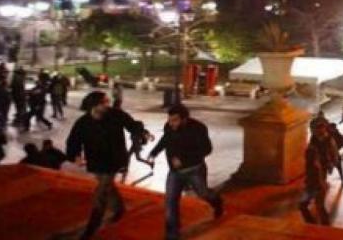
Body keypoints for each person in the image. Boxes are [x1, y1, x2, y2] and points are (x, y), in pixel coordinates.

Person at [66, 91, 153, 240]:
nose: (107, 104)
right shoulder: (83, 122)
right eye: (104, 102)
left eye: (107, 101)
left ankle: (92, 227)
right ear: (95, 105)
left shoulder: (115, 115)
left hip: (114, 160)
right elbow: (74, 140)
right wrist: (76, 155)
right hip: (96, 161)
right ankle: (119, 209)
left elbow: (132, 125)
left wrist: (143, 133)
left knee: (101, 193)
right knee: (106, 185)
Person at [148, 103, 224, 240]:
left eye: (175, 120)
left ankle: (216, 201)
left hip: (194, 169)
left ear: (184, 119)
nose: (171, 123)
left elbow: (206, 149)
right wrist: (153, 154)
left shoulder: (198, 128)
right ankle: (172, 235)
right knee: (170, 201)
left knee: (203, 193)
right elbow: (165, 140)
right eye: (169, 120)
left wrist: (184, 159)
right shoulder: (169, 126)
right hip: (175, 172)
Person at [299, 118, 332, 225]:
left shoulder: (327, 139)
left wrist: (320, 184)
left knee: (313, 205)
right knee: (318, 206)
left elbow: (332, 151)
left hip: (315, 184)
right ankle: (322, 225)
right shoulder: (313, 142)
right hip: (314, 183)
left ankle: (317, 225)